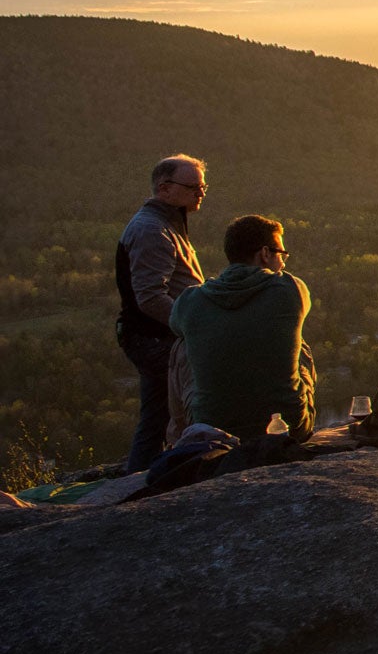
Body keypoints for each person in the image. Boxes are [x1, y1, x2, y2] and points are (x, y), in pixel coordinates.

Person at [170, 215, 317, 444]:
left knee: (180, 345)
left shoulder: (190, 300)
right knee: (299, 343)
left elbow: (175, 325)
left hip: (212, 430)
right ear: (265, 254)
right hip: (288, 427)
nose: (284, 262)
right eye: (282, 254)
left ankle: (181, 440)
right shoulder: (291, 289)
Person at [116, 154, 207, 471]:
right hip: (157, 338)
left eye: (203, 186)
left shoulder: (167, 224)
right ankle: (163, 479)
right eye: (193, 186)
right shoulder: (152, 231)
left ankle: (141, 479)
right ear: (164, 188)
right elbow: (151, 297)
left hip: (155, 336)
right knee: (184, 411)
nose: (201, 193)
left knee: (156, 416)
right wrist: (191, 327)